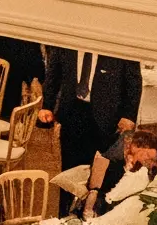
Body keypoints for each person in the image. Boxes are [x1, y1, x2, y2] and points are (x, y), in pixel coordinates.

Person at [42, 46, 143, 176]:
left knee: (101, 170)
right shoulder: (68, 40)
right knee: (69, 167)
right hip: (72, 109)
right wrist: (47, 106)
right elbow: (54, 73)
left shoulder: (118, 42)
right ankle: (68, 196)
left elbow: (133, 82)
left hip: (107, 114)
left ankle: (95, 194)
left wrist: (128, 115)